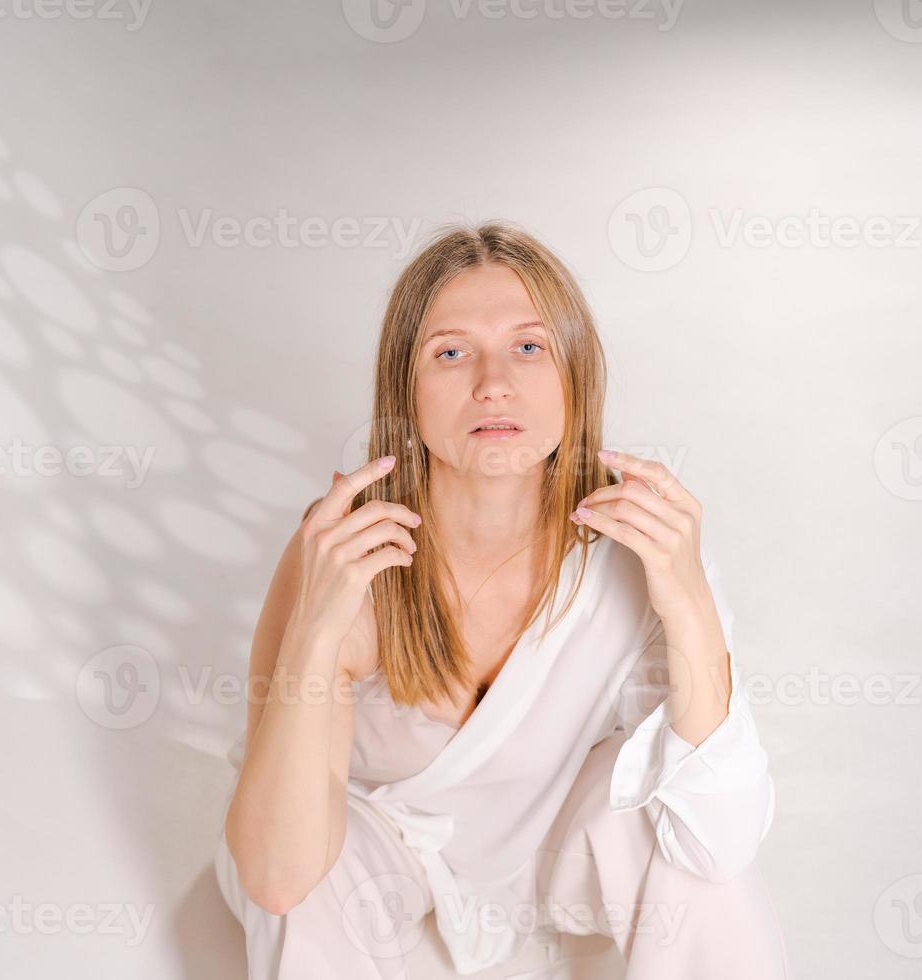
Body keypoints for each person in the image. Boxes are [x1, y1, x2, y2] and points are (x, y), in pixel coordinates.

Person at [213, 222, 789, 978]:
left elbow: (724, 843)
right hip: (374, 844)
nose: (493, 384)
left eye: (529, 346)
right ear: (405, 390)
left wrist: (686, 598)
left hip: (548, 845)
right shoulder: (345, 552)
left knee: (672, 814)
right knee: (306, 888)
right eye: (450, 353)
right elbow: (276, 877)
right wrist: (316, 635)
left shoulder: (640, 540)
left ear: (575, 374)